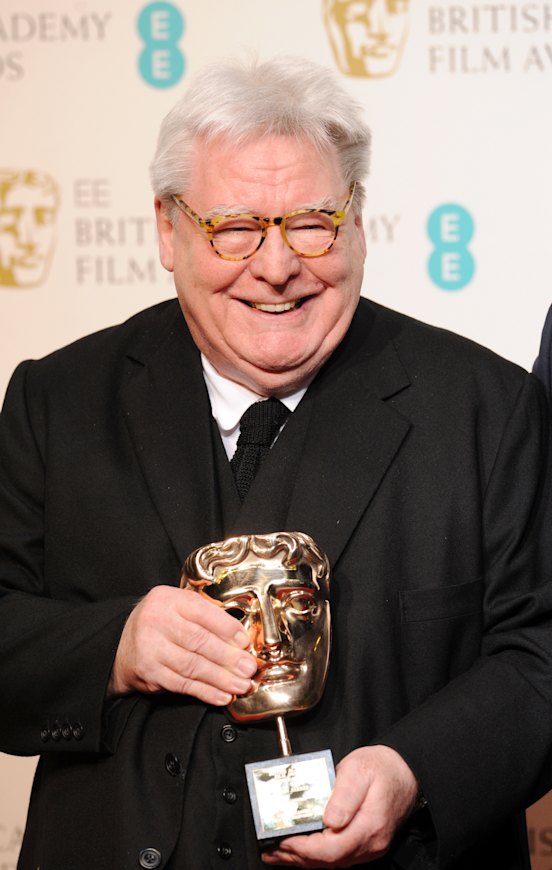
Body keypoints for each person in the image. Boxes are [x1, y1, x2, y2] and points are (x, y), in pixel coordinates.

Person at [1, 56, 552, 870]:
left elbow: (540, 658)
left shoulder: (488, 409)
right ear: (166, 228)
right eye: (234, 226)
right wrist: (114, 646)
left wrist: (412, 772)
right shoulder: (57, 402)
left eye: (311, 221)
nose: (276, 265)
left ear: (357, 220)